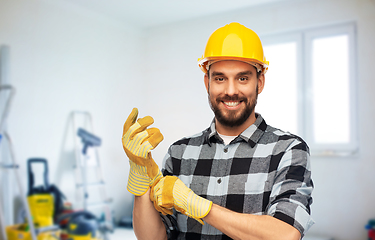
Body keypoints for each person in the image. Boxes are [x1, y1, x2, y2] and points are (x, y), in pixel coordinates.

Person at [122, 22, 314, 240]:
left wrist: (200, 207)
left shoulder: (288, 150)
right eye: (220, 78)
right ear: (207, 82)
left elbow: (286, 234)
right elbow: (152, 238)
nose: (230, 91)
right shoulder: (179, 152)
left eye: (242, 78)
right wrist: (139, 178)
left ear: (259, 82)